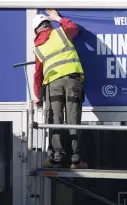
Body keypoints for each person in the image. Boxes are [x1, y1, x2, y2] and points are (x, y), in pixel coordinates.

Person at [32, 9, 87, 169]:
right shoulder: (60, 33)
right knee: (73, 119)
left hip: (53, 85)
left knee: (54, 119)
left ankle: (56, 158)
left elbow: (37, 75)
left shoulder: (38, 48)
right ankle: (75, 160)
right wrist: (58, 18)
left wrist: (38, 96)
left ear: (36, 30)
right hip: (71, 81)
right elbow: (73, 28)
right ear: (48, 24)